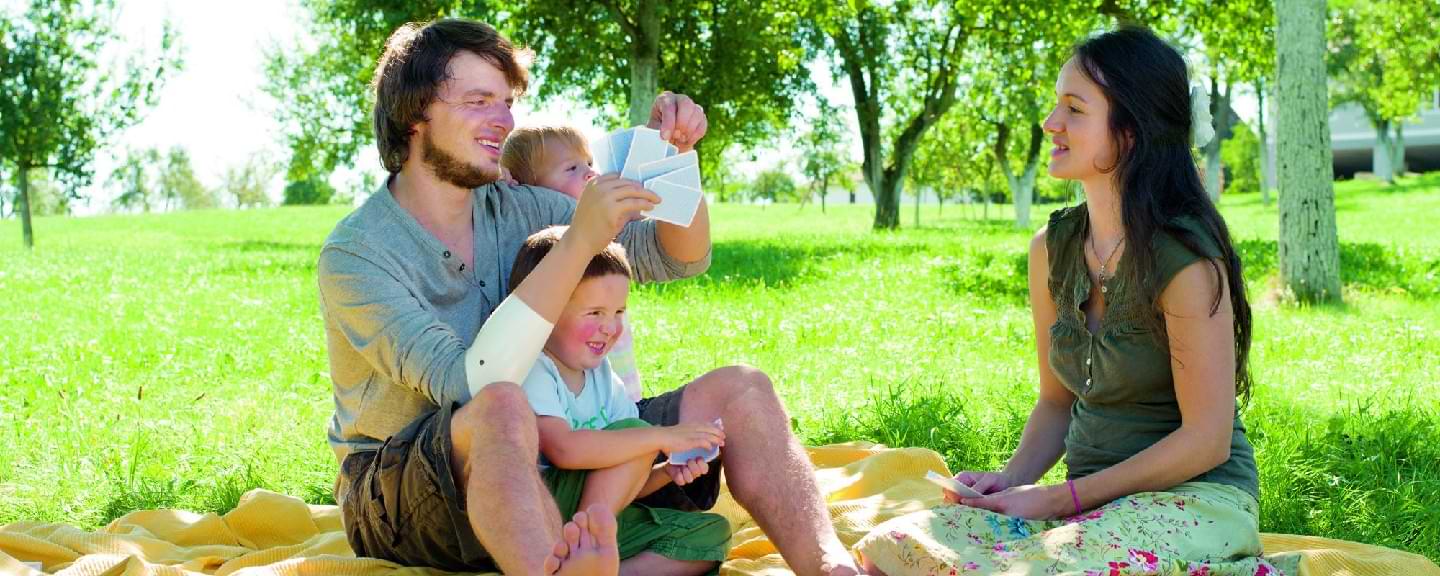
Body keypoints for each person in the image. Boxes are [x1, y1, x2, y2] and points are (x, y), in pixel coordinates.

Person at [317, 17, 863, 576]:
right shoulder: (359, 255)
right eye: (479, 100)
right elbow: (471, 383)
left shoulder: (529, 208)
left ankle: (831, 567)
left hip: (557, 460)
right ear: (414, 113)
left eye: (507, 102)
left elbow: (675, 256)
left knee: (742, 389)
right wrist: (579, 239)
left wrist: (670, 156)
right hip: (407, 495)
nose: (503, 121)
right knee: (501, 406)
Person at [855, 27, 1292, 576]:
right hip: (1088, 509)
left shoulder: (1185, 261)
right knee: (895, 546)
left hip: (1197, 501)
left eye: (1074, 108)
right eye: (1056, 105)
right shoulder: (1051, 249)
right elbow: (1056, 403)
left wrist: (1063, 499)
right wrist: (1011, 479)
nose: (1051, 123)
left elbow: (1206, 441)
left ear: (1129, 131)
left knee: (1037, 570)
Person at [509, 226, 730, 575]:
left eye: (618, 312)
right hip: (543, 512)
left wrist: (665, 471)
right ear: (545, 313)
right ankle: (580, 549)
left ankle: (604, 570)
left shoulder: (601, 375)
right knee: (634, 432)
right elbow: (564, 449)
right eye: (595, 313)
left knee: (711, 533)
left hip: (597, 515)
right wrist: (659, 437)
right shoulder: (535, 368)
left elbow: (626, 486)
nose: (610, 327)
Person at [501, 126, 645, 400]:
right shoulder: (534, 247)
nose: (590, 173)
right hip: (562, 394)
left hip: (615, 379)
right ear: (530, 190)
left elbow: (638, 227)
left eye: (589, 163)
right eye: (571, 169)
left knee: (621, 404)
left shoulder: (604, 224)